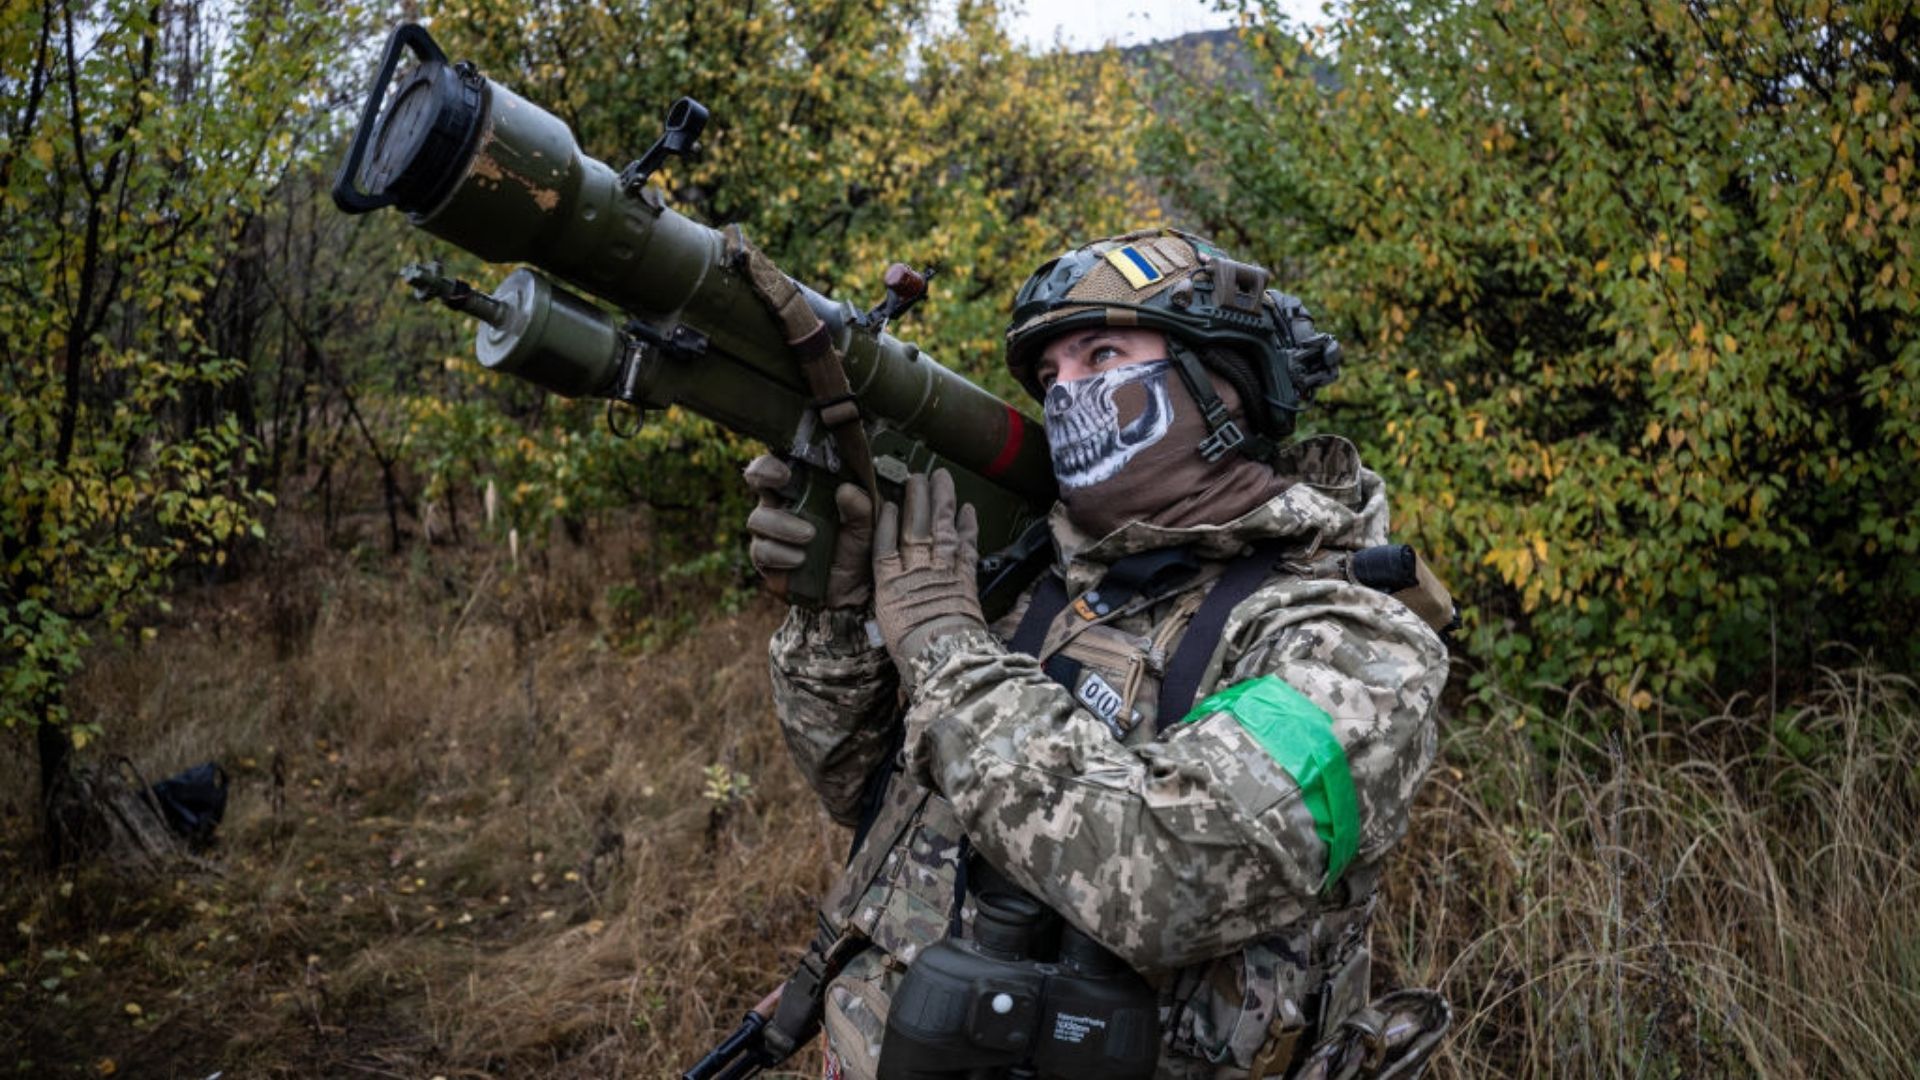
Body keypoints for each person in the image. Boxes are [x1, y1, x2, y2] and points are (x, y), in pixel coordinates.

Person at [743, 228, 1450, 1079]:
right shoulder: (1038, 575)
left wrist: (946, 648)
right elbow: (856, 786)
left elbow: (1168, 880)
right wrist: (840, 611)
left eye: (1102, 354)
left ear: (1222, 384)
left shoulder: (1349, 644)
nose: (1067, 394)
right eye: (1050, 379)